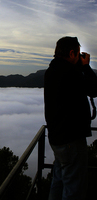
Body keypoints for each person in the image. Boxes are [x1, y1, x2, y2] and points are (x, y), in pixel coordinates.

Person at [44, 36, 97, 200]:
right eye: (78, 53)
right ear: (72, 53)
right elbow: (94, 89)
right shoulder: (70, 73)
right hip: (71, 140)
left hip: (57, 138)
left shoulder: (52, 70)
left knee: (58, 182)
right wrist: (86, 67)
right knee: (74, 189)